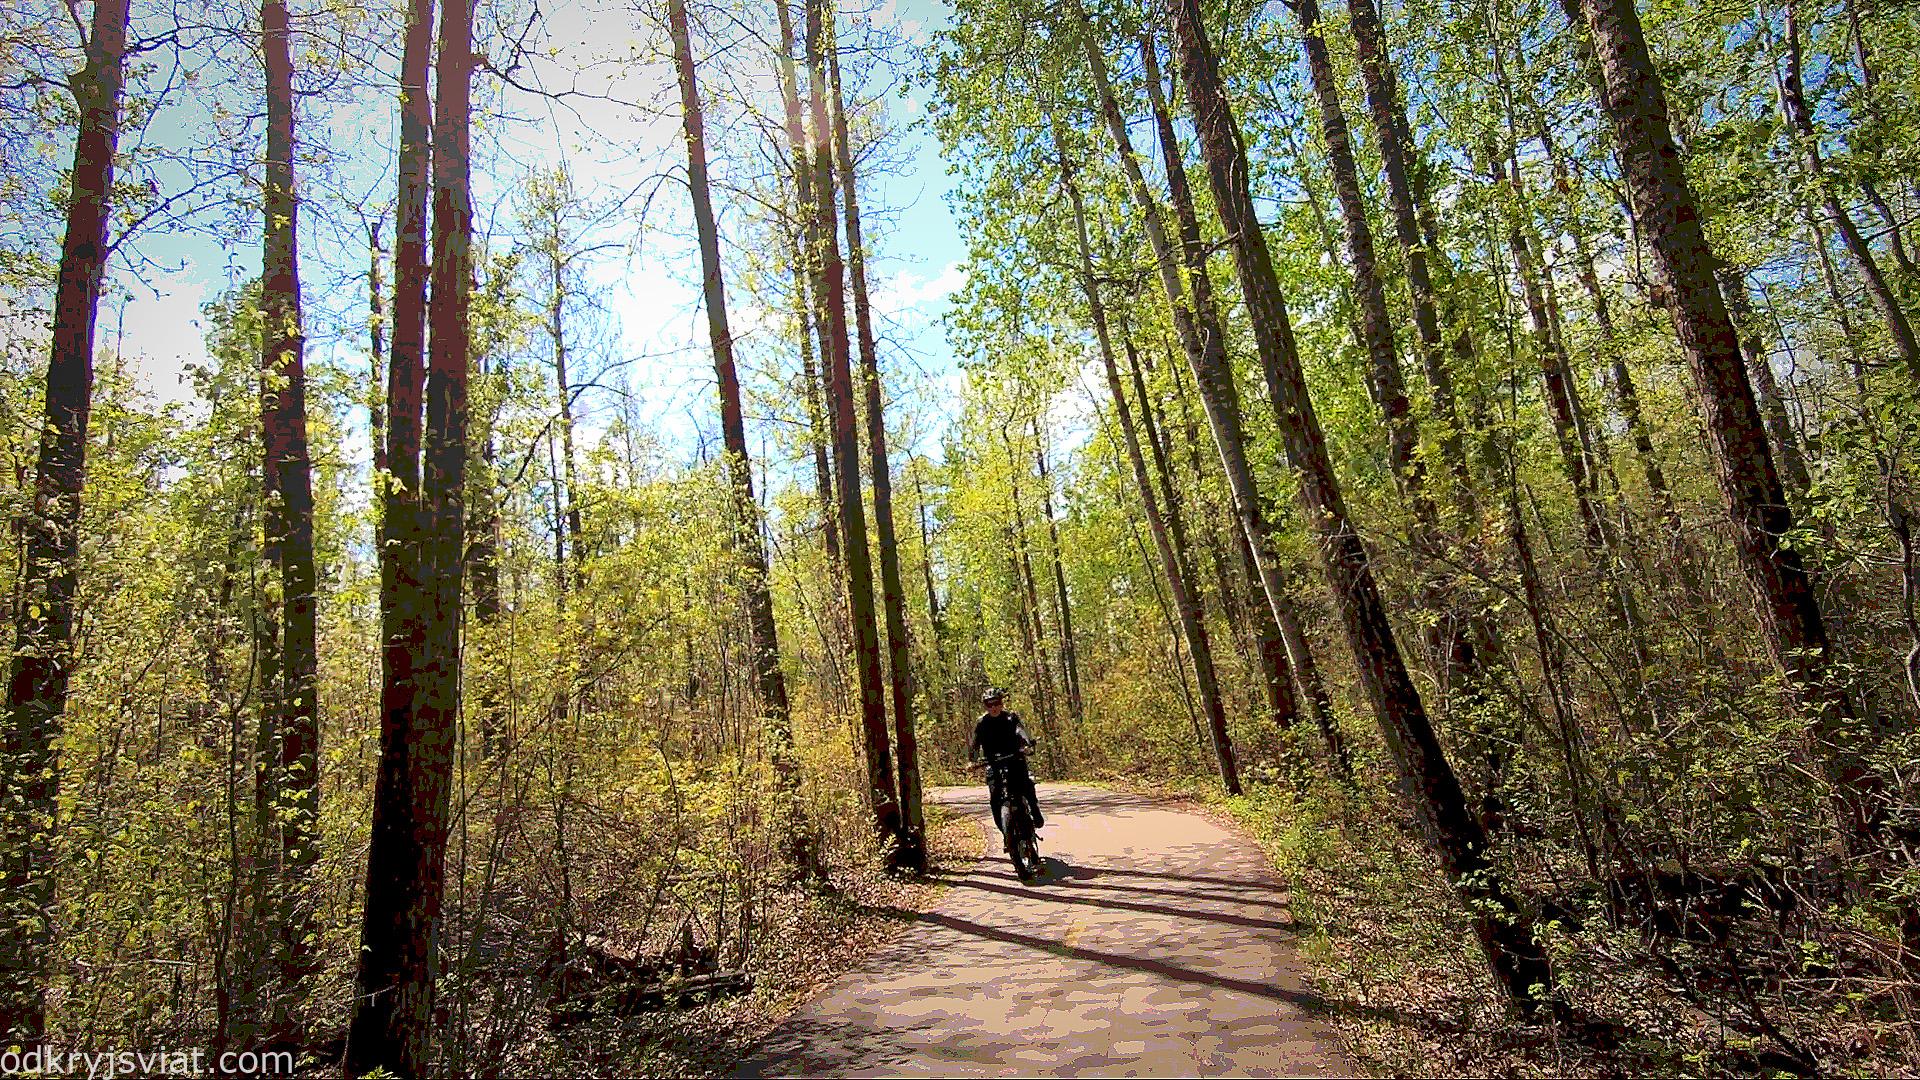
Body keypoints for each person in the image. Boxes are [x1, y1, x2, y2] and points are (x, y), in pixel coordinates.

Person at [970, 687, 1044, 834]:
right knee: (995, 798)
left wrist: (1027, 744)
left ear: (1001, 703)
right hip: (993, 764)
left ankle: (1035, 813)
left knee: (1026, 785)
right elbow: (975, 745)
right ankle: (1006, 833)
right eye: (989, 704)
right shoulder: (981, 723)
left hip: (1015, 759)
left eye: (996, 703)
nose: (993, 707)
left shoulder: (1011, 718)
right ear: (985, 706)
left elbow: (1020, 731)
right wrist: (972, 760)